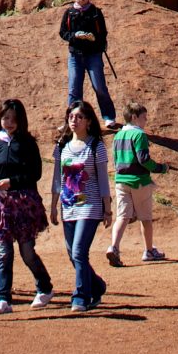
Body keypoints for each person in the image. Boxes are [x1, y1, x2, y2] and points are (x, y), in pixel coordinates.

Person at [0, 99, 53, 312]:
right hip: (1, 204)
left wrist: (12, 182)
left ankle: (44, 287)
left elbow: (35, 173)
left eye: (13, 119)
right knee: (4, 252)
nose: (9, 123)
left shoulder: (28, 143)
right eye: (5, 118)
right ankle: (3, 298)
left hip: (24, 203)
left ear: (21, 120)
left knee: (27, 251)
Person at [50, 102, 111, 312]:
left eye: (79, 117)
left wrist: (107, 208)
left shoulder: (96, 146)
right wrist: (53, 205)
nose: (74, 120)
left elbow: (103, 179)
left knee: (78, 251)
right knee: (72, 253)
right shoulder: (62, 146)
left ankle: (81, 296)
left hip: (90, 205)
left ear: (89, 121)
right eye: (71, 116)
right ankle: (97, 285)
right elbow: (57, 178)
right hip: (69, 206)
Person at [106, 102, 164, 265]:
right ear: (134, 117)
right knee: (145, 217)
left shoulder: (117, 136)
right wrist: (160, 168)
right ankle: (149, 250)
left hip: (121, 180)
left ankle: (114, 247)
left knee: (122, 216)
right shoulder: (139, 135)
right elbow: (144, 160)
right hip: (139, 181)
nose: (145, 121)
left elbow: (116, 160)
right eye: (144, 117)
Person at [58, 0, 115, 123]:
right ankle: (72, 120)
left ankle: (109, 116)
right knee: (74, 89)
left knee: (99, 86)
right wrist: (75, 36)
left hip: (93, 54)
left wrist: (94, 38)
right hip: (75, 55)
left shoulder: (95, 12)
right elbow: (63, 32)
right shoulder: (70, 12)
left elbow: (103, 32)